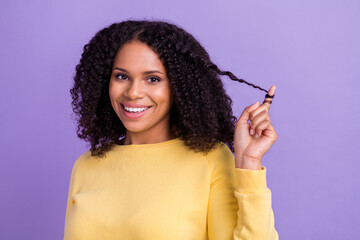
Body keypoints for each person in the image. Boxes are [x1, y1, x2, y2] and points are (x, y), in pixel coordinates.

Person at [64, 20, 279, 239]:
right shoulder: (86, 165)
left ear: (178, 87)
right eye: (122, 76)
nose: (133, 92)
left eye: (153, 79)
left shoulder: (209, 160)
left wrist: (249, 162)